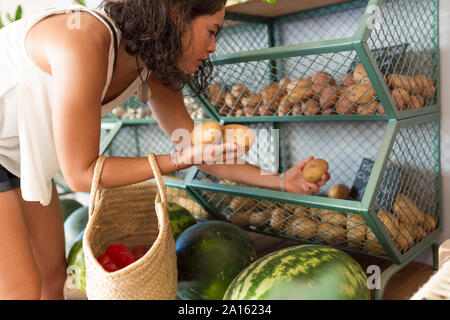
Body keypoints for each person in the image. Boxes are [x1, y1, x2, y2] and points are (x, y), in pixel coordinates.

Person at [0, 0, 329, 300]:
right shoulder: (85, 39)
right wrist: (177, 160)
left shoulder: (148, 63)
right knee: (21, 288)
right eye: (211, 31)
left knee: (53, 277)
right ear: (176, 14)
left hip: (18, 158)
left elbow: (194, 147)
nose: (213, 47)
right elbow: (81, 174)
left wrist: (283, 180)